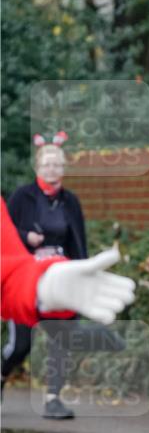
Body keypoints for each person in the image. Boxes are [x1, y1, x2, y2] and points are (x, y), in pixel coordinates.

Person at [2, 131, 115, 418]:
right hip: (28, 281)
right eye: (47, 164)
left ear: (64, 168)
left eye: (57, 164)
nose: (52, 169)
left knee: (61, 340)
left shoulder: (70, 201)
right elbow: (6, 234)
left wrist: (86, 275)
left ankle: (53, 398)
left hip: (61, 280)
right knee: (21, 346)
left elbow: (79, 241)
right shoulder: (21, 197)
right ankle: (2, 376)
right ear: (37, 167)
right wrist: (26, 236)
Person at [1, 197, 134, 327]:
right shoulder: (24, 195)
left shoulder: (70, 200)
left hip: (56, 268)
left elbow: (10, 273)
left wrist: (39, 286)